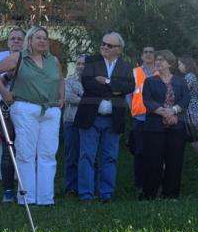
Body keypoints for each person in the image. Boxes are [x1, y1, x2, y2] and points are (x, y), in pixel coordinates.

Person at [0, 26, 64, 205]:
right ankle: (27, 198)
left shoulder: (53, 60)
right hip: (25, 109)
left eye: (45, 38)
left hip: (50, 111)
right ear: (29, 41)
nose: (42, 41)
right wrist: (4, 94)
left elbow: (61, 79)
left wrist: (61, 98)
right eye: (38, 37)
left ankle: (46, 198)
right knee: (26, 153)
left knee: (48, 154)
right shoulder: (19, 57)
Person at [74, 32, 135, 204]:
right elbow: (88, 84)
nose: (105, 47)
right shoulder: (92, 61)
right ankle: (86, 194)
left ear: (119, 49)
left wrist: (107, 82)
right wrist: (116, 88)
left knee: (110, 157)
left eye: (109, 45)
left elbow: (130, 86)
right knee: (87, 156)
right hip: (90, 117)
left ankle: (106, 194)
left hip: (113, 118)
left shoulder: (125, 66)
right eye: (103, 43)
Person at [140, 50, 190, 199]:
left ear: (170, 62)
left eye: (161, 60)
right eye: (157, 60)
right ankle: (150, 194)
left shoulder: (180, 81)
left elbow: (186, 99)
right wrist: (164, 112)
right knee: (153, 161)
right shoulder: (150, 81)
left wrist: (173, 111)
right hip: (155, 127)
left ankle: (171, 195)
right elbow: (147, 100)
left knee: (174, 161)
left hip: (176, 127)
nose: (158, 62)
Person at [0, 27, 25, 203]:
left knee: (26, 148)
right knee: (8, 149)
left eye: (20, 38)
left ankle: (26, 189)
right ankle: (8, 191)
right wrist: (8, 77)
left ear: (25, 41)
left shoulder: (30, 58)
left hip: (27, 106)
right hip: (5, 106)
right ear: (8, 41)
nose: (16, 41)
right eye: (13, 38)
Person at [128, 45, 157, 194]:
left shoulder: (160, 73)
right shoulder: (135, 72)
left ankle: (155, 184)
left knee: (156, 152)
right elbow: (128, 93)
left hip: (157, 118)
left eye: (151, 52)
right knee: (139, 152)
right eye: (145, 52)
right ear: (141, 55)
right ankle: (139, 185)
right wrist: (132, 109)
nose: (148, 54)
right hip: (139, 118)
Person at [177, 56, 198, 171]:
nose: (178, 66)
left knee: (192, 137)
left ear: (186, 65)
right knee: (189, 136)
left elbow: (182, 92)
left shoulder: (190, 76)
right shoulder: (188, 76)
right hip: (187, 110)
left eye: (180, 64)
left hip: (190, 110)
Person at [62, 54, 86, 196]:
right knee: (71, 155)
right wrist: (87, 99)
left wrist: (80, 97)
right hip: (71, 121)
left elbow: (96, 97)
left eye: (84, 64)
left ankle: (86, 186)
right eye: (78, 63)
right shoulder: (69, 81)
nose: (81, 66)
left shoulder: (93, 82)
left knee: (88, 155)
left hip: (88, 123)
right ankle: (71, 187)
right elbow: (68, 97)